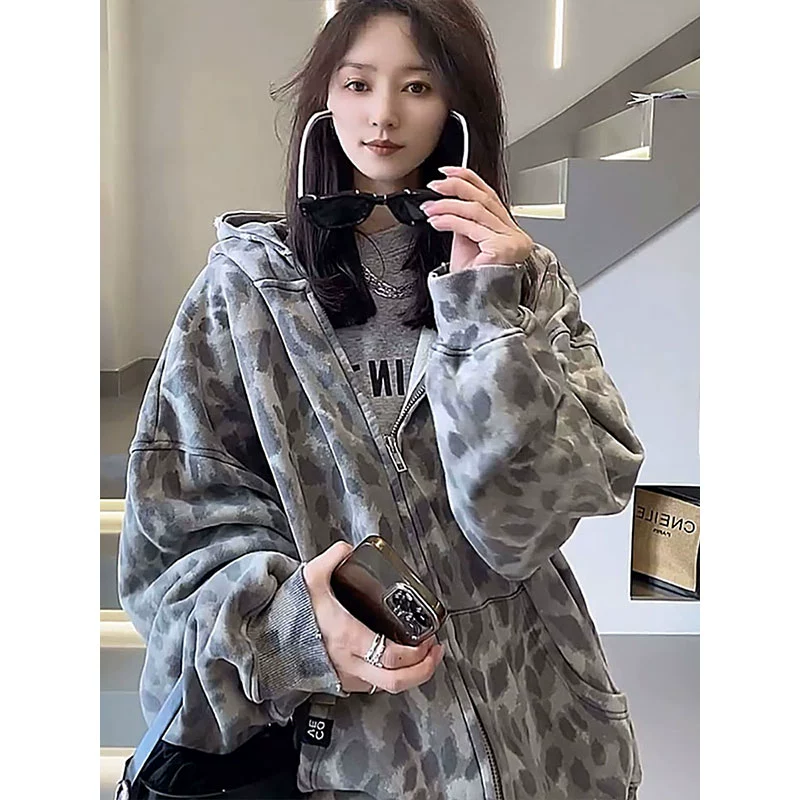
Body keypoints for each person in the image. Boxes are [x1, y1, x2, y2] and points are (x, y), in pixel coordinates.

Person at [119, 1, 646, 798]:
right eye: (358, 84)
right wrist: (295, 628)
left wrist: (484, 315)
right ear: (324, 101)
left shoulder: (523, 279)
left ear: (458, 106)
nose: (383, 116)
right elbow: (175, 534)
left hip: (536, 722)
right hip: (350, 750)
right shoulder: (243, 292)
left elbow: (520, 530)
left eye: (418, 86)